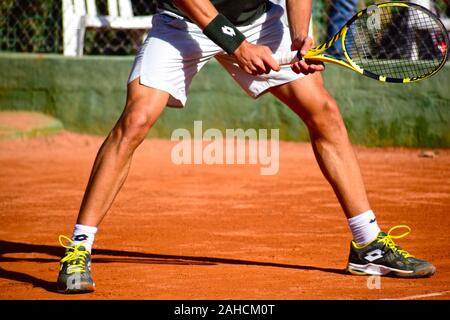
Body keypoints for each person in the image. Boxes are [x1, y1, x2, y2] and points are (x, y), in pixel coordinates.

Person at [56, 0, 436, 293]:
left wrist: (301, 35)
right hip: (184, 21)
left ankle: (368, 246)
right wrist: (238, 46)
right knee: (136, 119)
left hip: (260, 21)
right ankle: (78, 249)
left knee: (324, 112)